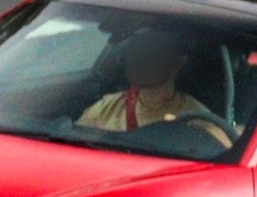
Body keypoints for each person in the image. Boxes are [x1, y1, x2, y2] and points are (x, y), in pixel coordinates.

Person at [76, 28, 231, 145]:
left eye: (154, 52)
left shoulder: (197, 118)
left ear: (179, 62)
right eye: (139, 52)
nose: (143, 60)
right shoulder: (107, 107)